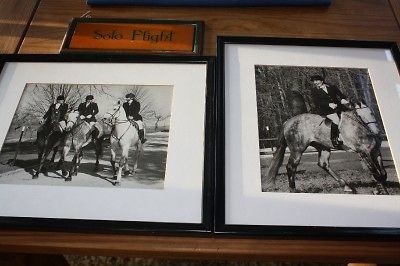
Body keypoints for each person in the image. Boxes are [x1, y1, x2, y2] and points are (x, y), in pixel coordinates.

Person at [310, 75, 350, 148]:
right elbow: (317, 102)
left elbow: (341, 95)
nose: (315, 82)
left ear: (322, 80)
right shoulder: (314, 90)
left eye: (317, 80)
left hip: (338, 107)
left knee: (351, 115)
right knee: (336, 120)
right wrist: (328, 104)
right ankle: (334, 139)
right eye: (314, 81)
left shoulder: (332, 87)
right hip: (325, 109)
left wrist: (343, 99)